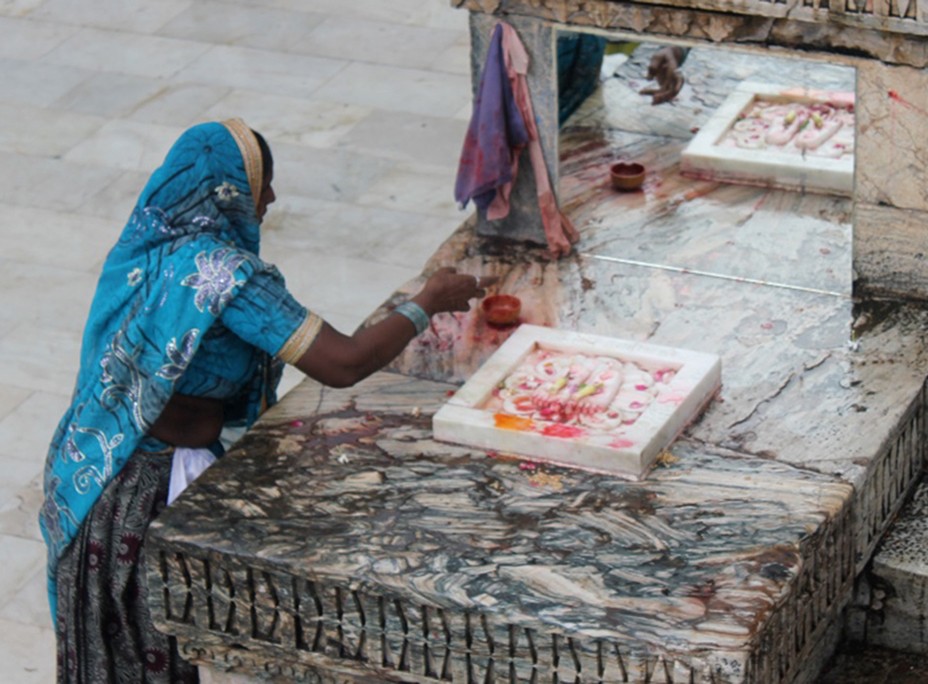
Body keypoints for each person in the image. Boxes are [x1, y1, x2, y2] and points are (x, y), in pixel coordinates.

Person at [39, 119, 495, 683]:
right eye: (264, 184)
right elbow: (343, 362)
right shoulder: (225, 276)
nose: (272, 198)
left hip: (88, 470)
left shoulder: (146, 241)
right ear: (229, 190)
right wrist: (427, 301)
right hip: (138, 493)